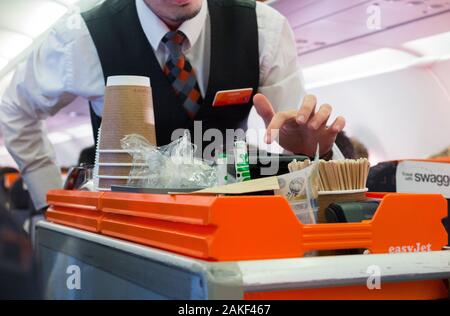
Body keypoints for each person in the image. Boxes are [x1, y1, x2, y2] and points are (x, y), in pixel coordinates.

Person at [0, 0, 346, 211]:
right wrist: (50, 198)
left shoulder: (262, 28)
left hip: (231, 222)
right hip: (129, 233)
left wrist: (313, 153)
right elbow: (14, 109)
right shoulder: (82, 36)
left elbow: (294, 135)